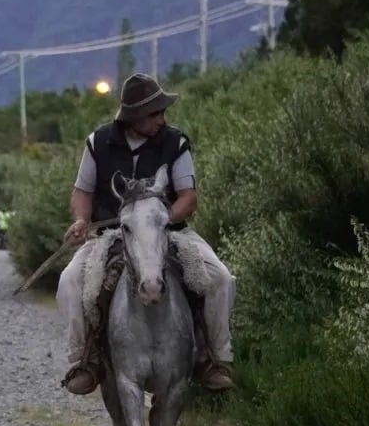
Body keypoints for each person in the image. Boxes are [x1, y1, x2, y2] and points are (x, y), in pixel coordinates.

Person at [55, 73, 237, 395]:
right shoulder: (98, 142)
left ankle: (215, 359)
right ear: (134, 116)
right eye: (155, 113)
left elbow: (188, 196)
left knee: (222, 279)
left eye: (162, 112)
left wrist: (160, 220)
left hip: (169, 232)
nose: (161, 119)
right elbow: (81, 191)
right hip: (110, 235)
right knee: (69, 283)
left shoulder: (175, 142)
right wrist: (81, 219)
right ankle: (85, 360)